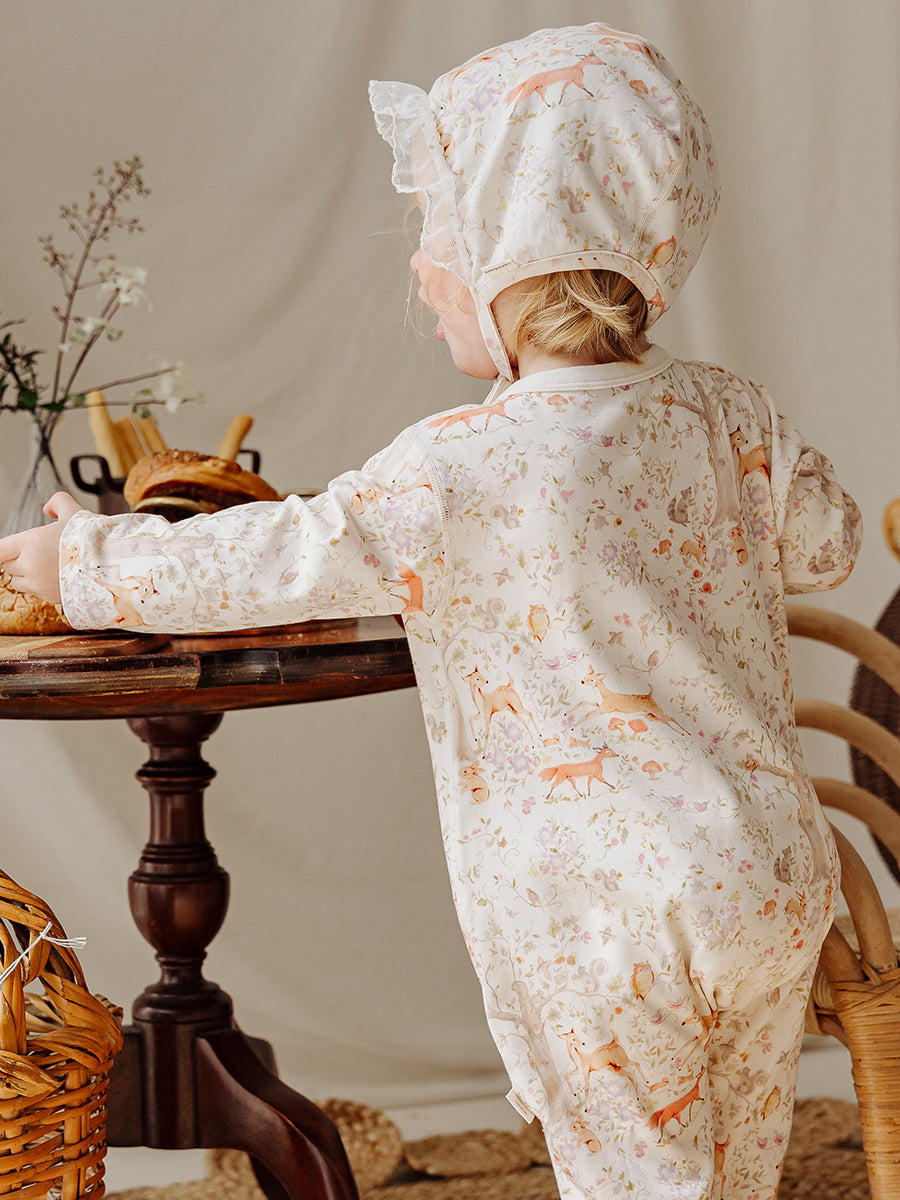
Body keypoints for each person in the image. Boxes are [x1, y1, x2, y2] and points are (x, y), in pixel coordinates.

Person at [0, 23, 862, 1200]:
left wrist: (84, 561)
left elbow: (275, 558)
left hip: (602, 911)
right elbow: (828, 543)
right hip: (765, 873)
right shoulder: (726, 413)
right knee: (736, 1172)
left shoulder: (457, 467)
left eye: (437, 232)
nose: (418, 265)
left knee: (637, 1179)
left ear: (518, 251)